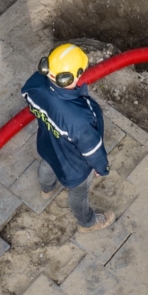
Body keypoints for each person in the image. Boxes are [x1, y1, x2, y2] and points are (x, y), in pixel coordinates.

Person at [21, 43, 115, 233]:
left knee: (47, 165)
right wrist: (101, 168)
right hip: (74, 166)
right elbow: (92, 149)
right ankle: (87, 223)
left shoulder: (36, 84)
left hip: (47, 145)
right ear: (71, 77)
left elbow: (27, 95)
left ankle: (46, 189)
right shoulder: (79, 118)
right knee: (78, 194)